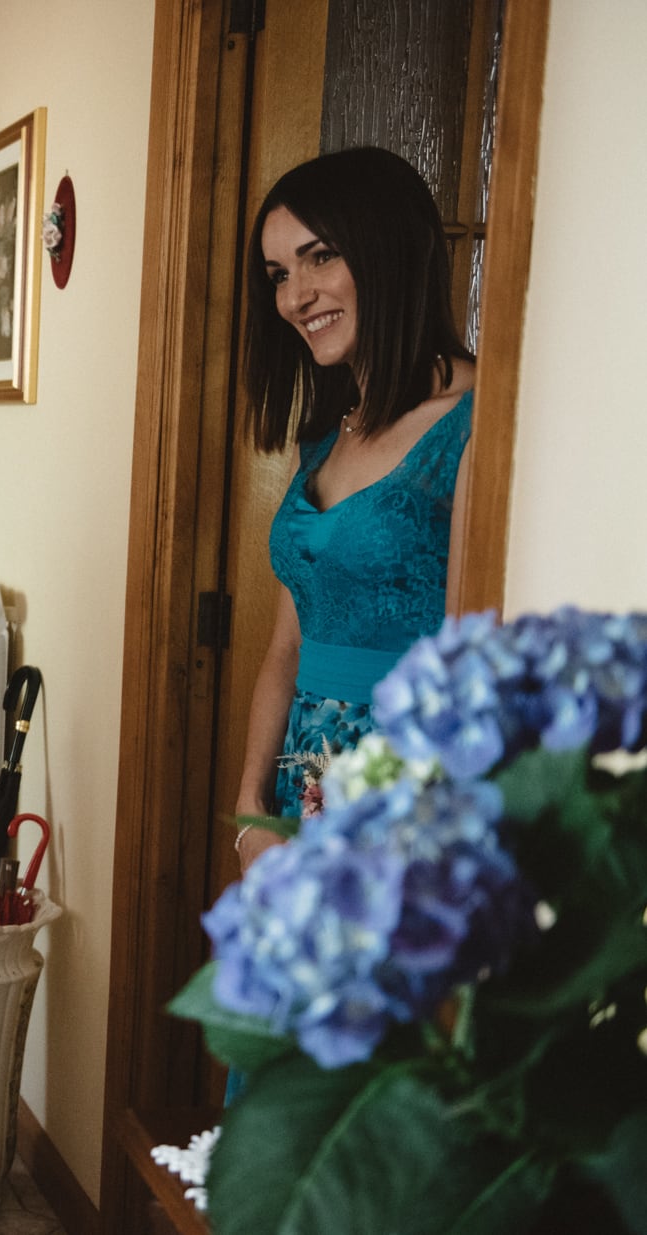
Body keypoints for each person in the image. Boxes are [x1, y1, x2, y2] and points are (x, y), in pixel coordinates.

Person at [233, 145, 476, 870]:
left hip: (408, 800)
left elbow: (471, 663)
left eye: (320, 257)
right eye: (279, 274)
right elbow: (286, 649)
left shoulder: (477, 421)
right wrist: (251, 816)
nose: (294, 298)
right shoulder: (324, 439)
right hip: (302, 787)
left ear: (390, 252)